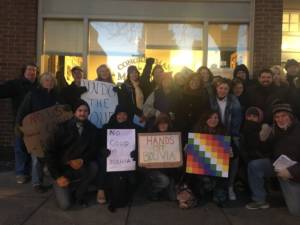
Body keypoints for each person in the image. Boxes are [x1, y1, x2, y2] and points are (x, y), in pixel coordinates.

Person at [246, 102, 300, 216]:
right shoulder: (275, 130)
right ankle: (259, 200)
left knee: (296, 211)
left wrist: (292, 172)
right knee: (254, 166)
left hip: (293, 173)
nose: (280, 119)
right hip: (277, 166)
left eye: (283, 116)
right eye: (277, 117)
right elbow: (267, 152)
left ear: (291, 116)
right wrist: (263, 139)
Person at [45, 100, 100, 210]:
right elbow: (50, 153)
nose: (82, 113)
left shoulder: (92, 129)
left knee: (94, 167)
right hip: (61, 168)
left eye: (85, 111)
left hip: (80, 167)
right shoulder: (61, 128)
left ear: (88, 113)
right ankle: (62, 184)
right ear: (75, 112)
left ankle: (79, 194)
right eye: (80, 110)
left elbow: (94, 150)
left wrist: (83, 160)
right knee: (65, 205)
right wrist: (57, 176)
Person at [16, 72, 60, 193]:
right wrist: (19, 126)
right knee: (37, 158)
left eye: (51, 80)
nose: (49, 82)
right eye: (46, 80)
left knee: (52, 156)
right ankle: (37, 183)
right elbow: (23, 111)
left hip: (52, 132)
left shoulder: (57, 95)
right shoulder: (33, 94)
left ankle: (56, 182)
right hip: (36, 132)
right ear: (41, 82)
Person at [0, 63, 38, 184]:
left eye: (34, 70)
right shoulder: (15, 84)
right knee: (20, 148)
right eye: (30, 70)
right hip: (20, 122)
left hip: (36, 123)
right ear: (24, 71)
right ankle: (21, 173)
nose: (32, 72)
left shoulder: (39, 86)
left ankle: (32, 173)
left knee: (33, 148)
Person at [102, 104, 141, 212]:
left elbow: (142, 144)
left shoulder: (135, 129)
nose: (122, 117)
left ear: (128, 116)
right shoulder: (107, 128)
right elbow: (99, 145)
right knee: (114, 181)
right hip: (112, 163)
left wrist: (136, 152)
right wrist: (103, 151)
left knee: (132, 181)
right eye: (119, 114)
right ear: (115, 115)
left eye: (125, 114)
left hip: (129, 163)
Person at [209, 78, 242, 201]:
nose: (223, 90)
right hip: (215, 133)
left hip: (230, 134)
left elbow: (237, 121)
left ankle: (230, 186)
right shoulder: (210, 99)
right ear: (216, 88)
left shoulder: (234, 101)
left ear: (229, 90)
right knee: (215, 163)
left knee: (233, 161)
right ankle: (217, 188)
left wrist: (230, 139)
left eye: (226, 88)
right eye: (220, 88)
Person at [188, 110, 229, 206]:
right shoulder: (197, 132)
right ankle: (203, 191)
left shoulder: (224, 132)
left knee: (219, 196)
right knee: (203, 181)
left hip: (218, 169)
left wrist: (231, 152)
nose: (213, 120)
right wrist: (188, 150)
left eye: (216, 118)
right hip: (201, 169)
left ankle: (217, 192)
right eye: (210, 117)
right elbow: (191, 153)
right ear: (205, 119)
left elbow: (234, 150)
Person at [144, 113, 177, 201]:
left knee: (173, 198)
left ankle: (163, 189)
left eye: (165, 123)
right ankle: (151, 190)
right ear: (157, 125)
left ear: (168, 124)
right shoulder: (149, 138)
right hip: (154, 170)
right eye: (160, 123)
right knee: (164, 181)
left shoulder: (174, 138)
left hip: (169, 170)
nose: (162, 125)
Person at [176, 73, 210, 142]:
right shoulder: (181, 93)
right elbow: (176, 109)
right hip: (182, 128)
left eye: (198, 80)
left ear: (200, 83)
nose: (195, 82)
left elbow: (206, 112)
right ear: (189, 81)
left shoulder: (204, 95)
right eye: (192, 80)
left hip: (197, 129)